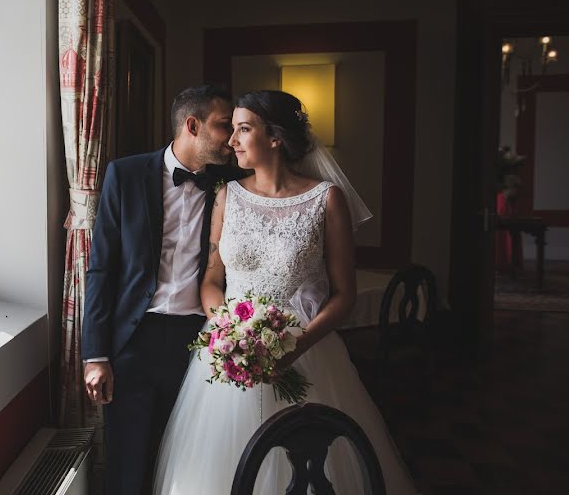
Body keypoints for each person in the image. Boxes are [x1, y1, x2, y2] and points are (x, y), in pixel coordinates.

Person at [153, 90, 417, 494]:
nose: (232, 140)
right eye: (233, 129)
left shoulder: (327, 200)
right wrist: (227, 331)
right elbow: (210, 279)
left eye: (243, 129)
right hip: (229, 356)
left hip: (306, 353)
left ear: (274, 137)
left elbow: (344, 294)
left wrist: (297, 346)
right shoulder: (227, 195)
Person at [82, 85, 246, 494]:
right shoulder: (125, 174)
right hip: (134, 339)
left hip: (199, 343)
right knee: (127, 462)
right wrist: (95, 354)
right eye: (223, 125)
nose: (230, 138)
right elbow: (102, 268)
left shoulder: (235, 183)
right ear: (192, 125)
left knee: (186, 460)